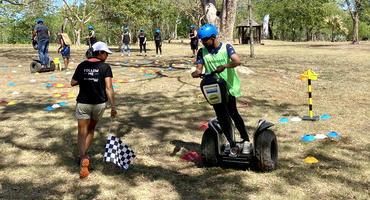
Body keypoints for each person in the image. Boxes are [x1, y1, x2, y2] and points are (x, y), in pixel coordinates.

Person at [191, 24, 251, 155]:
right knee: (221, 115)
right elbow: (199, 68)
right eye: (201, 40)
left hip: (228, 87)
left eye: (205, 40)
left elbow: (237, 61)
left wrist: (225, 66)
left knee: (233, 113)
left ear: (213, 37)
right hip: (214, 88)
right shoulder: (202, 51)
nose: (203, 42)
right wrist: (196, 72)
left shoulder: (226, 47)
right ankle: (231, 142)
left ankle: (246, 140)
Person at [71, 41, 117, 178]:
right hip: (99, 104)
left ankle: (83, 157)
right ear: (100, 53)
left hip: (83, 103)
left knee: (81, 132)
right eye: (106, 53)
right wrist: (113, 106)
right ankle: (84, 156)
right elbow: (109, 88)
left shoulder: (82, 65)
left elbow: (73, 82)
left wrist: (85, 78)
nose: (107, 56)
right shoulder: (105, 67)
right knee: (91, 129)